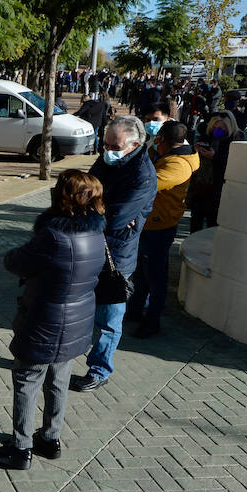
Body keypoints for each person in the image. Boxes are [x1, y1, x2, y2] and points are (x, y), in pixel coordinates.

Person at [0, 171, 107, 471]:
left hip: (45, 320)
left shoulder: (53, 237)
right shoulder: (96, 233)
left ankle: (21, 448)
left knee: (27, 380)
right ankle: (51, 439)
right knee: (59, 379)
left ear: (65, 196)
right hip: (77, 319)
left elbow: (15, 261)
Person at [71, 115, 156, 393]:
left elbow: (117, 218)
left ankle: (99, 369)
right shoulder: (109, 161)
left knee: (109, 320)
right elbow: (81, 192)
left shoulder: (142, 175)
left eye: (114, 145)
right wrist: (93, 206)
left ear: (134, 144)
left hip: (116, 257)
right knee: (82, 311)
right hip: (90, 246)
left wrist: (93, 208)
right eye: (105, 144)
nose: (107, 150)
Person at [128, 121, 198, 339]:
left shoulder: (178, 165)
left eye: (159, 140)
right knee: (141, 273)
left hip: (159, 225)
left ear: (170, 143)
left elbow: (147, 184)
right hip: (148, 222)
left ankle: (153, 321)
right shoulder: (164, 155)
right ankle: (135, 311)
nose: (156, 143)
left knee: (155, 276)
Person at [187, 111, 241, 232]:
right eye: (215, 127)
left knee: (213, 222)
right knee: (196, 221)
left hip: (219, 188)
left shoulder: (236, 140)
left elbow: (236, 164)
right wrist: (195, 150)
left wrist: (215, 157)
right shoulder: (206, 137)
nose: (217, 130)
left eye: (221, 128)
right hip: (200, 185)